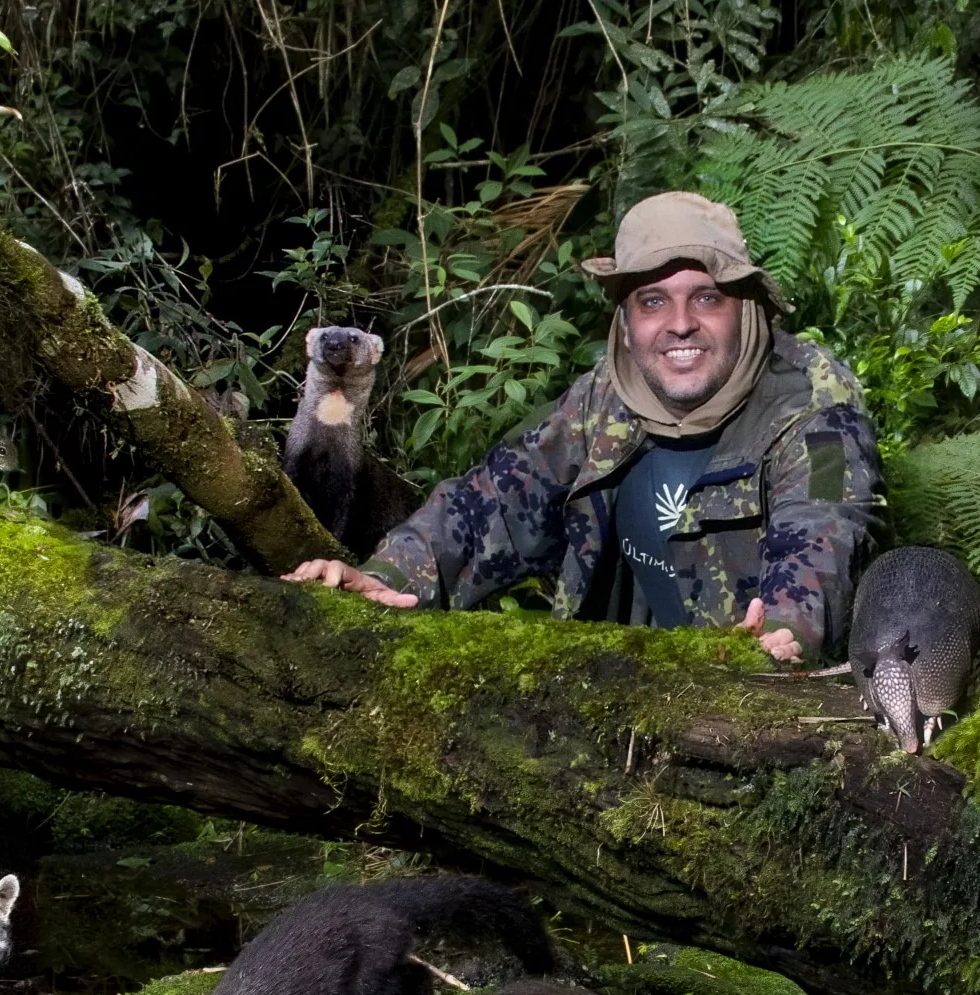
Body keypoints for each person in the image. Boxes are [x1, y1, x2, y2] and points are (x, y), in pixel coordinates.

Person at [282, 192, 882, 662]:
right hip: (615, 707)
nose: (679, 324)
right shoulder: (606, 397)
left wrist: (783, 629)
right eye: (652, 301)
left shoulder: (814, 403)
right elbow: (484, 505)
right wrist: (383, 578)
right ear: (624, 320)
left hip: (752, 714)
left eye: (706, 298)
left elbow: (824, 527)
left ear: (748, 306)